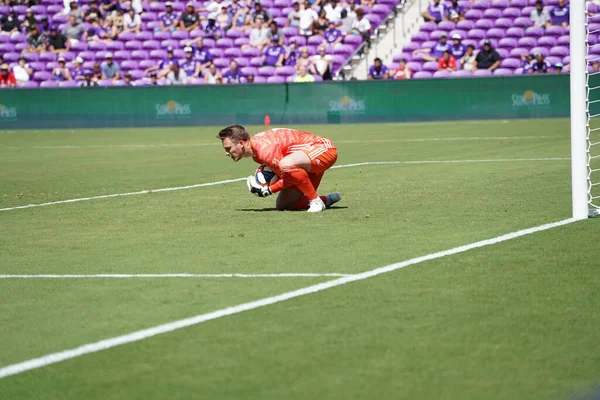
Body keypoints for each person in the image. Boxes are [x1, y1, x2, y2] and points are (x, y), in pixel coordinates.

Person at [217, 125, 341, 212]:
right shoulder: (257, 153)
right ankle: (327, 199)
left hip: (322, 148)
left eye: (228, 148)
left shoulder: (264, 150)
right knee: (284, 204)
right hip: (305, 159)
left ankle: (315, 201)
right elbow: (289, 176)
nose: (227, 153)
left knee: (286, 165)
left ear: (241, 143)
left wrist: (269, 189)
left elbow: (288, 175)